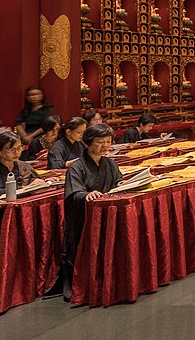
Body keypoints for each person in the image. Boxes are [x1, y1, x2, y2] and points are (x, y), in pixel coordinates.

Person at [47, 124, 120, 301]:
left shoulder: (109, 163)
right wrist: (87, 194)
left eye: (108, 142)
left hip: (106, 214)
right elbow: (75, 192)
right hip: (84, 218)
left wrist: (121, 186)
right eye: (100, 142)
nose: (105, 146)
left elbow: (118, 180)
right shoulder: (76, 167)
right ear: (88, 143)